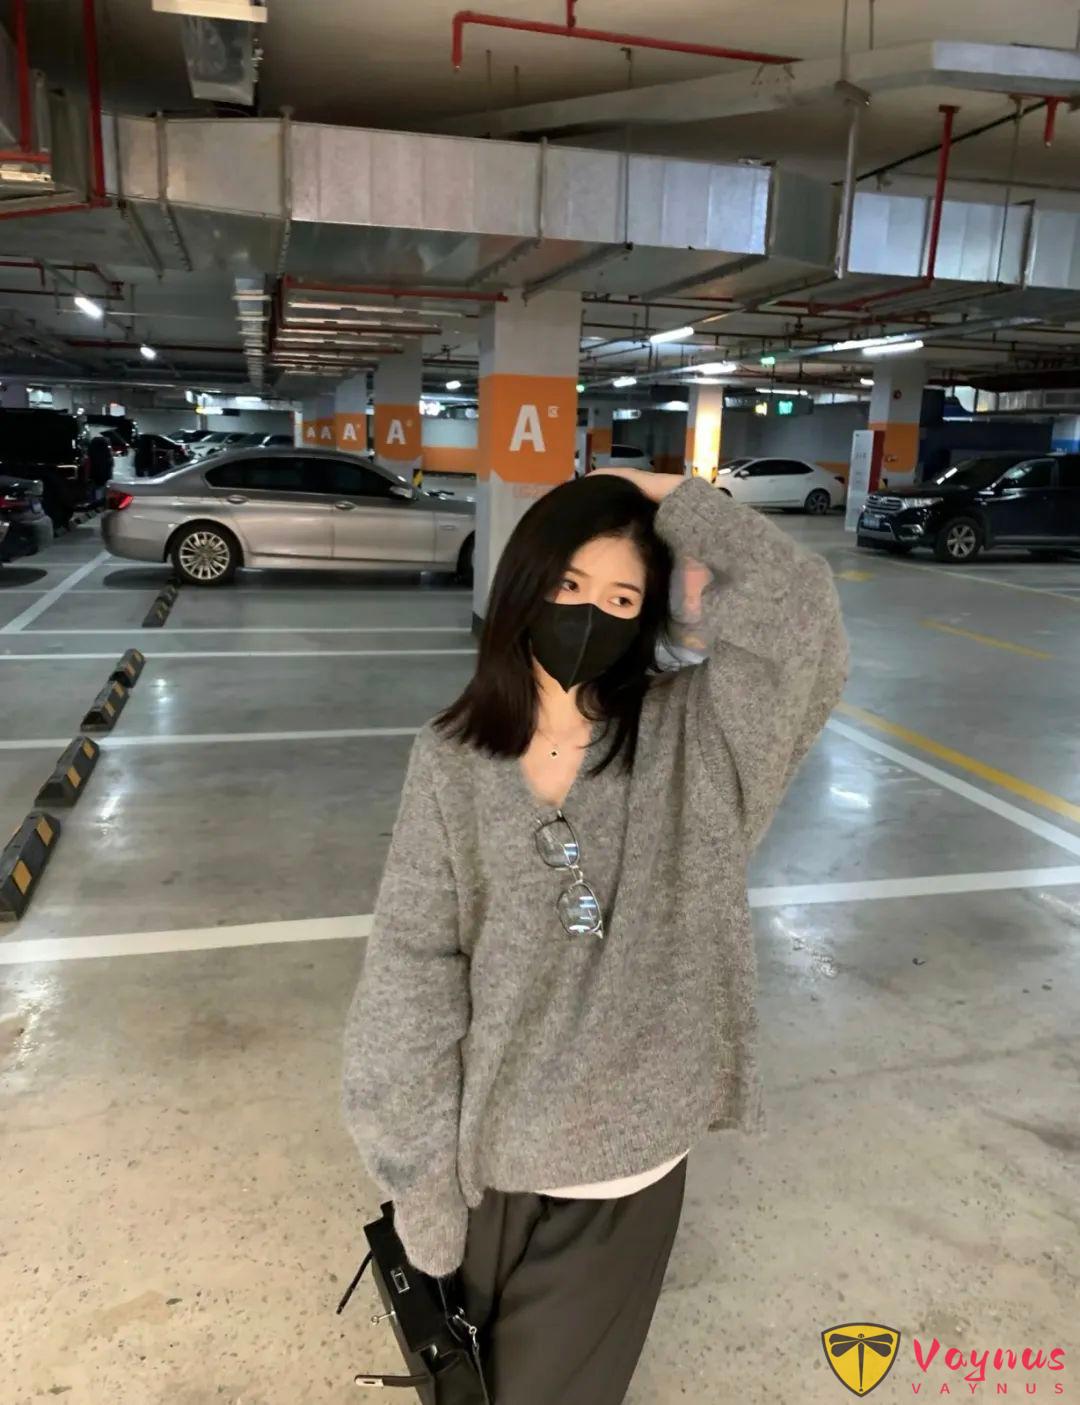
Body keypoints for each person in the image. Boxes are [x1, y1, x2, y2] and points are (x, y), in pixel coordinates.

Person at [342, 469, 848, 1405]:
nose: (587, 613)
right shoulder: (452, 760)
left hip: (627, 1167)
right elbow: (411, 978)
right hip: (493, 1161)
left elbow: (799, 607)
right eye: (569, 584)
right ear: (523, 586)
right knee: (467, 1386)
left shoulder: (698, 738)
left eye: (620, 598)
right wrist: (422, 1187)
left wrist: (666, 494)